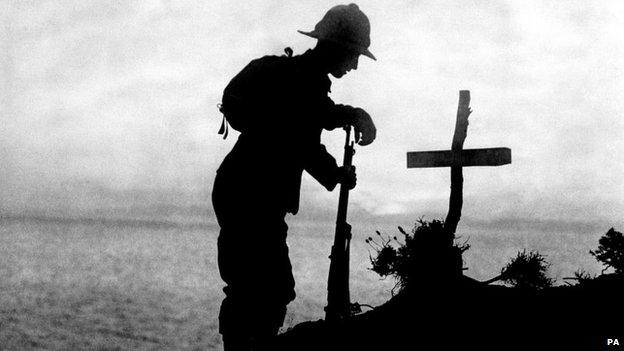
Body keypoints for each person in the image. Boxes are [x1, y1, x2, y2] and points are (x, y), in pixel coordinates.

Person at [212, 4, 377, 350]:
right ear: (337, 48)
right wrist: (352, 123)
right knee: (261, 291)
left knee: (263, 290)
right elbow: (305, 130)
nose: (356, 64)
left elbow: (306, 131)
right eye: (354, 54)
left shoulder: (302, 81)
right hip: (250, 196)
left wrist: (336, 167)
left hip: (246, 192)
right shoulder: (302, 82)